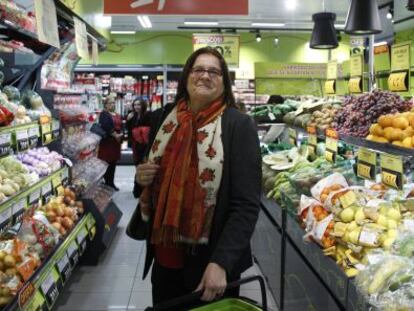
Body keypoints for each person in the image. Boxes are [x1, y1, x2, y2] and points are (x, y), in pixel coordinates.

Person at [135, 47, 262, 309]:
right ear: (187, 77)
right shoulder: (164, 118)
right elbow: (149, 180)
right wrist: (141, 177)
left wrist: (221, 263)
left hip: (211, 263)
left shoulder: (237, 125)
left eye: (214, 71)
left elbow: (246, 205)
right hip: (164, 254)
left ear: (224, 82)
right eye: (199, 69)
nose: (205, 76)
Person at [97, 97, 123, 191]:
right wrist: (115, 134)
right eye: (110, 103)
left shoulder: (117, 114)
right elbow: (105, 126)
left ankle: (111, 183)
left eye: (113, 103)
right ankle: (106, 184)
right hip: (107, 142)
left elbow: (121, 125)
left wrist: (121, 134)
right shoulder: (104, 114)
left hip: (116, 143)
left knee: (113, 163)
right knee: (107, 163)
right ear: (105, 104)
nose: (112, 104)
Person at [126, 99, 150, 165]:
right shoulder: (133, 115)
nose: (136, 106)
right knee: (137, 161)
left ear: (143, 105)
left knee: (144, 161)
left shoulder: (148, 114)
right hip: (135, 143)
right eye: (135, 105)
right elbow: (129, 128)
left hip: (145, 143)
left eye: (138, 105)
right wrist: (128, 120)